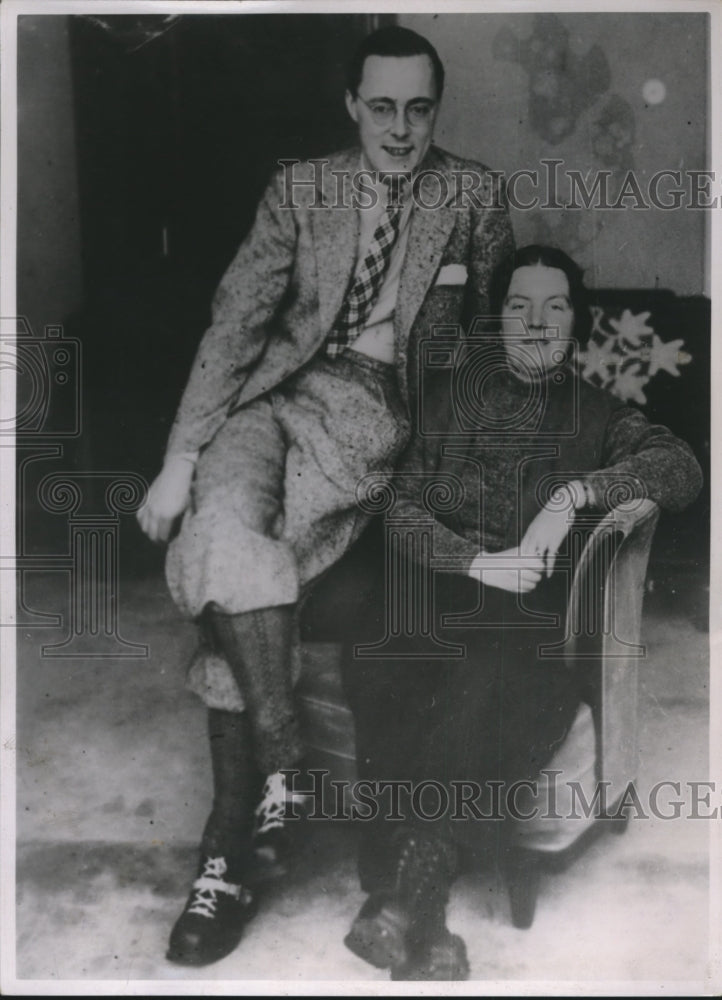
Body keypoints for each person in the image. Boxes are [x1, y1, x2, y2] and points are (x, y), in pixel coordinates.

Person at [135, 24, 513, 967]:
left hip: (366, 422)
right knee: (219, 532)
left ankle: (224, 858)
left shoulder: (473, 198)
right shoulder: (300, 187)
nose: (399, 128)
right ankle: (285, 761)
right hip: (265, 405)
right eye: (380, 107)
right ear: (351, 106)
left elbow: (489, 356)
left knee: (241, 587)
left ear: (437, 107)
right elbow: (237, 325)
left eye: (418, 108)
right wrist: (182, 459)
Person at [341, 244, 703, 980]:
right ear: (497, 321)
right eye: (519, 306)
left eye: (555, 307)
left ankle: (406, 904)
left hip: (521, 612)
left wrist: (571, 496)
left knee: (510, 678)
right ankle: (424, 910)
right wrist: (474, 561)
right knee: (380, 653)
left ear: (578, 325)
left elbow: (682, 468)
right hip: (430, 587)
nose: (536, 322)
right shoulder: (446, 403)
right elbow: (400, 511)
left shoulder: (600, 416)